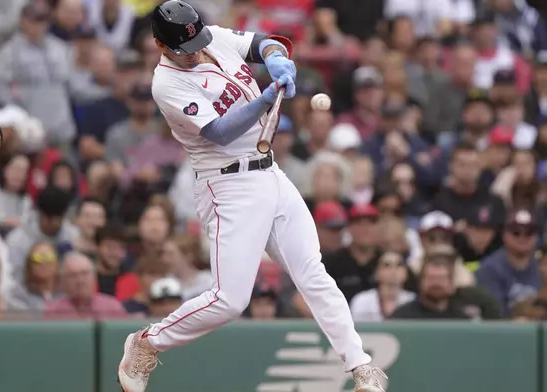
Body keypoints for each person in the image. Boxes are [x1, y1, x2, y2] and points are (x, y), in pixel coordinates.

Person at [117, 2, 386, 392]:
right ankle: (147, 343)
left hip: (269, 171)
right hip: (227, 184)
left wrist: (278, 60)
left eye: (197, 43)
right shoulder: (167, 83)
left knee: (312, 272)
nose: (194, 52)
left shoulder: (213, 38)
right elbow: (219, 132)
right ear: (160, 44)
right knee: (229, 300)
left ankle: (361, 368)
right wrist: (263, 100)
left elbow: (265, 44)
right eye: (183, 48)